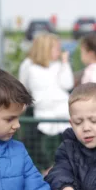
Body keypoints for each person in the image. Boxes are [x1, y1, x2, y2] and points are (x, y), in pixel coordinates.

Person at [26, 33, 74, 173]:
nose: (59, 51)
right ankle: (48, 169)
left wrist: (65, 64)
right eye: (56, 48)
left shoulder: (58, 66)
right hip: (46, 114)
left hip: (62, 115)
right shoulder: (33, 69)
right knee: (40, 147)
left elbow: (67, 83)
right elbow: (41, 96)